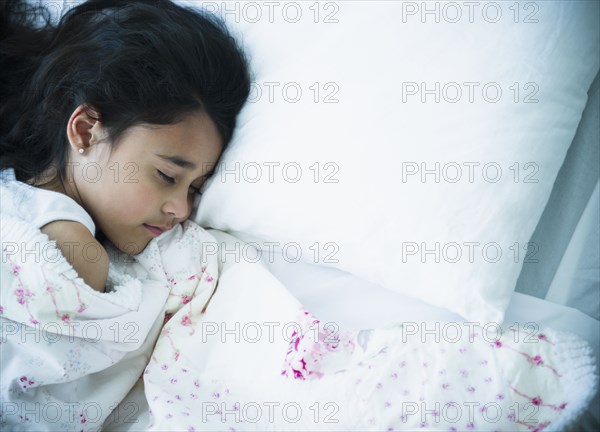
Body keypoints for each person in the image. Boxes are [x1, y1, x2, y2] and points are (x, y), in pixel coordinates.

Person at [0, 0, 250, 292]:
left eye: (195, 188)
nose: (182, 210)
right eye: (167, 175)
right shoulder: (72, 253)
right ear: (86, 131)